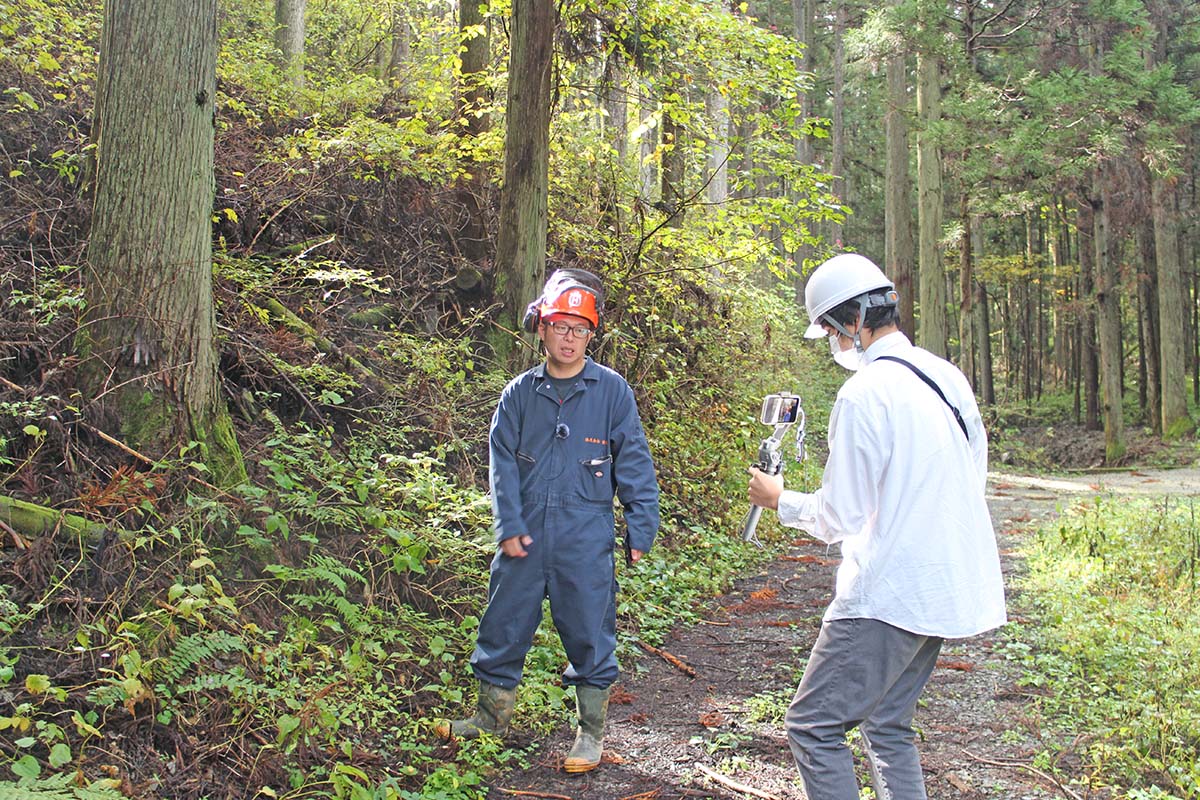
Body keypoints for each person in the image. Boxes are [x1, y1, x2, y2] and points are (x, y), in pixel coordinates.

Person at [747, 253, 1006, 800]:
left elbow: (840, 516)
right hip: (945, 583)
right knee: (887, 726)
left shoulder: (865, 393)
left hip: (888, 592)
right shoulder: (945, 374)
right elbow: (971, 472)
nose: (836, 345)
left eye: (832, 332)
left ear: (854, 323)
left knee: (813, 726)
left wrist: (778, 499)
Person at [435, 268, 660, 774]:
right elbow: (502, 467)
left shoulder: (611, 392)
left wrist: (641, 525)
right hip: (525, 534)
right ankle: (489, 719)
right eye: (561, 326)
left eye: (580, 329)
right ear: (542, 327)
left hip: (586, 533)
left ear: (591, 334)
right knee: (504, 621)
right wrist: (507, 524)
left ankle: (590, 733)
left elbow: (635, 462)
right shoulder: (519, 394)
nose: (570, 337)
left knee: (588, 629)